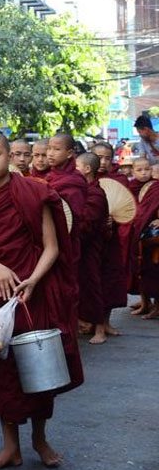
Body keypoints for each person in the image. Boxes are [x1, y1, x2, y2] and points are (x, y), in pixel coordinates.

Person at [0, 131, 83, 470]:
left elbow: (52, 247)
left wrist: (33, 280)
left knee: (38, 367)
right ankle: (10, 447)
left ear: (10, 155)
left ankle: (40, 439)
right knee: (1, 371)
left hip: (33, 293)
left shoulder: (33, 191)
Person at [91, 143, 128, 334]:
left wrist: (116, 218)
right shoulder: (84, 179)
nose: (103, 162)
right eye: (99, 157)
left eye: (107, 158)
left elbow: (128, 209)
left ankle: (106, 322)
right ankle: (92, 322)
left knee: (110, 279)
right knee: (93, 281)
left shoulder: (119, 179)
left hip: (112, 240)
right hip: (92, 239)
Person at [75, 153, 110, 344]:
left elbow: (89, 222)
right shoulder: (82, 190)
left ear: (87, 169)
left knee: (92, 286)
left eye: (76, 166)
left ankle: (100, 330)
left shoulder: (95, 192)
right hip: (80, 246)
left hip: (91, 246)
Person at [133, 166, 159, 320]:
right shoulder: (150, 187)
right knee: (145, 270)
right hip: (147, 236)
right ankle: (146, 303)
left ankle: (156, 306)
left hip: (155, 238)